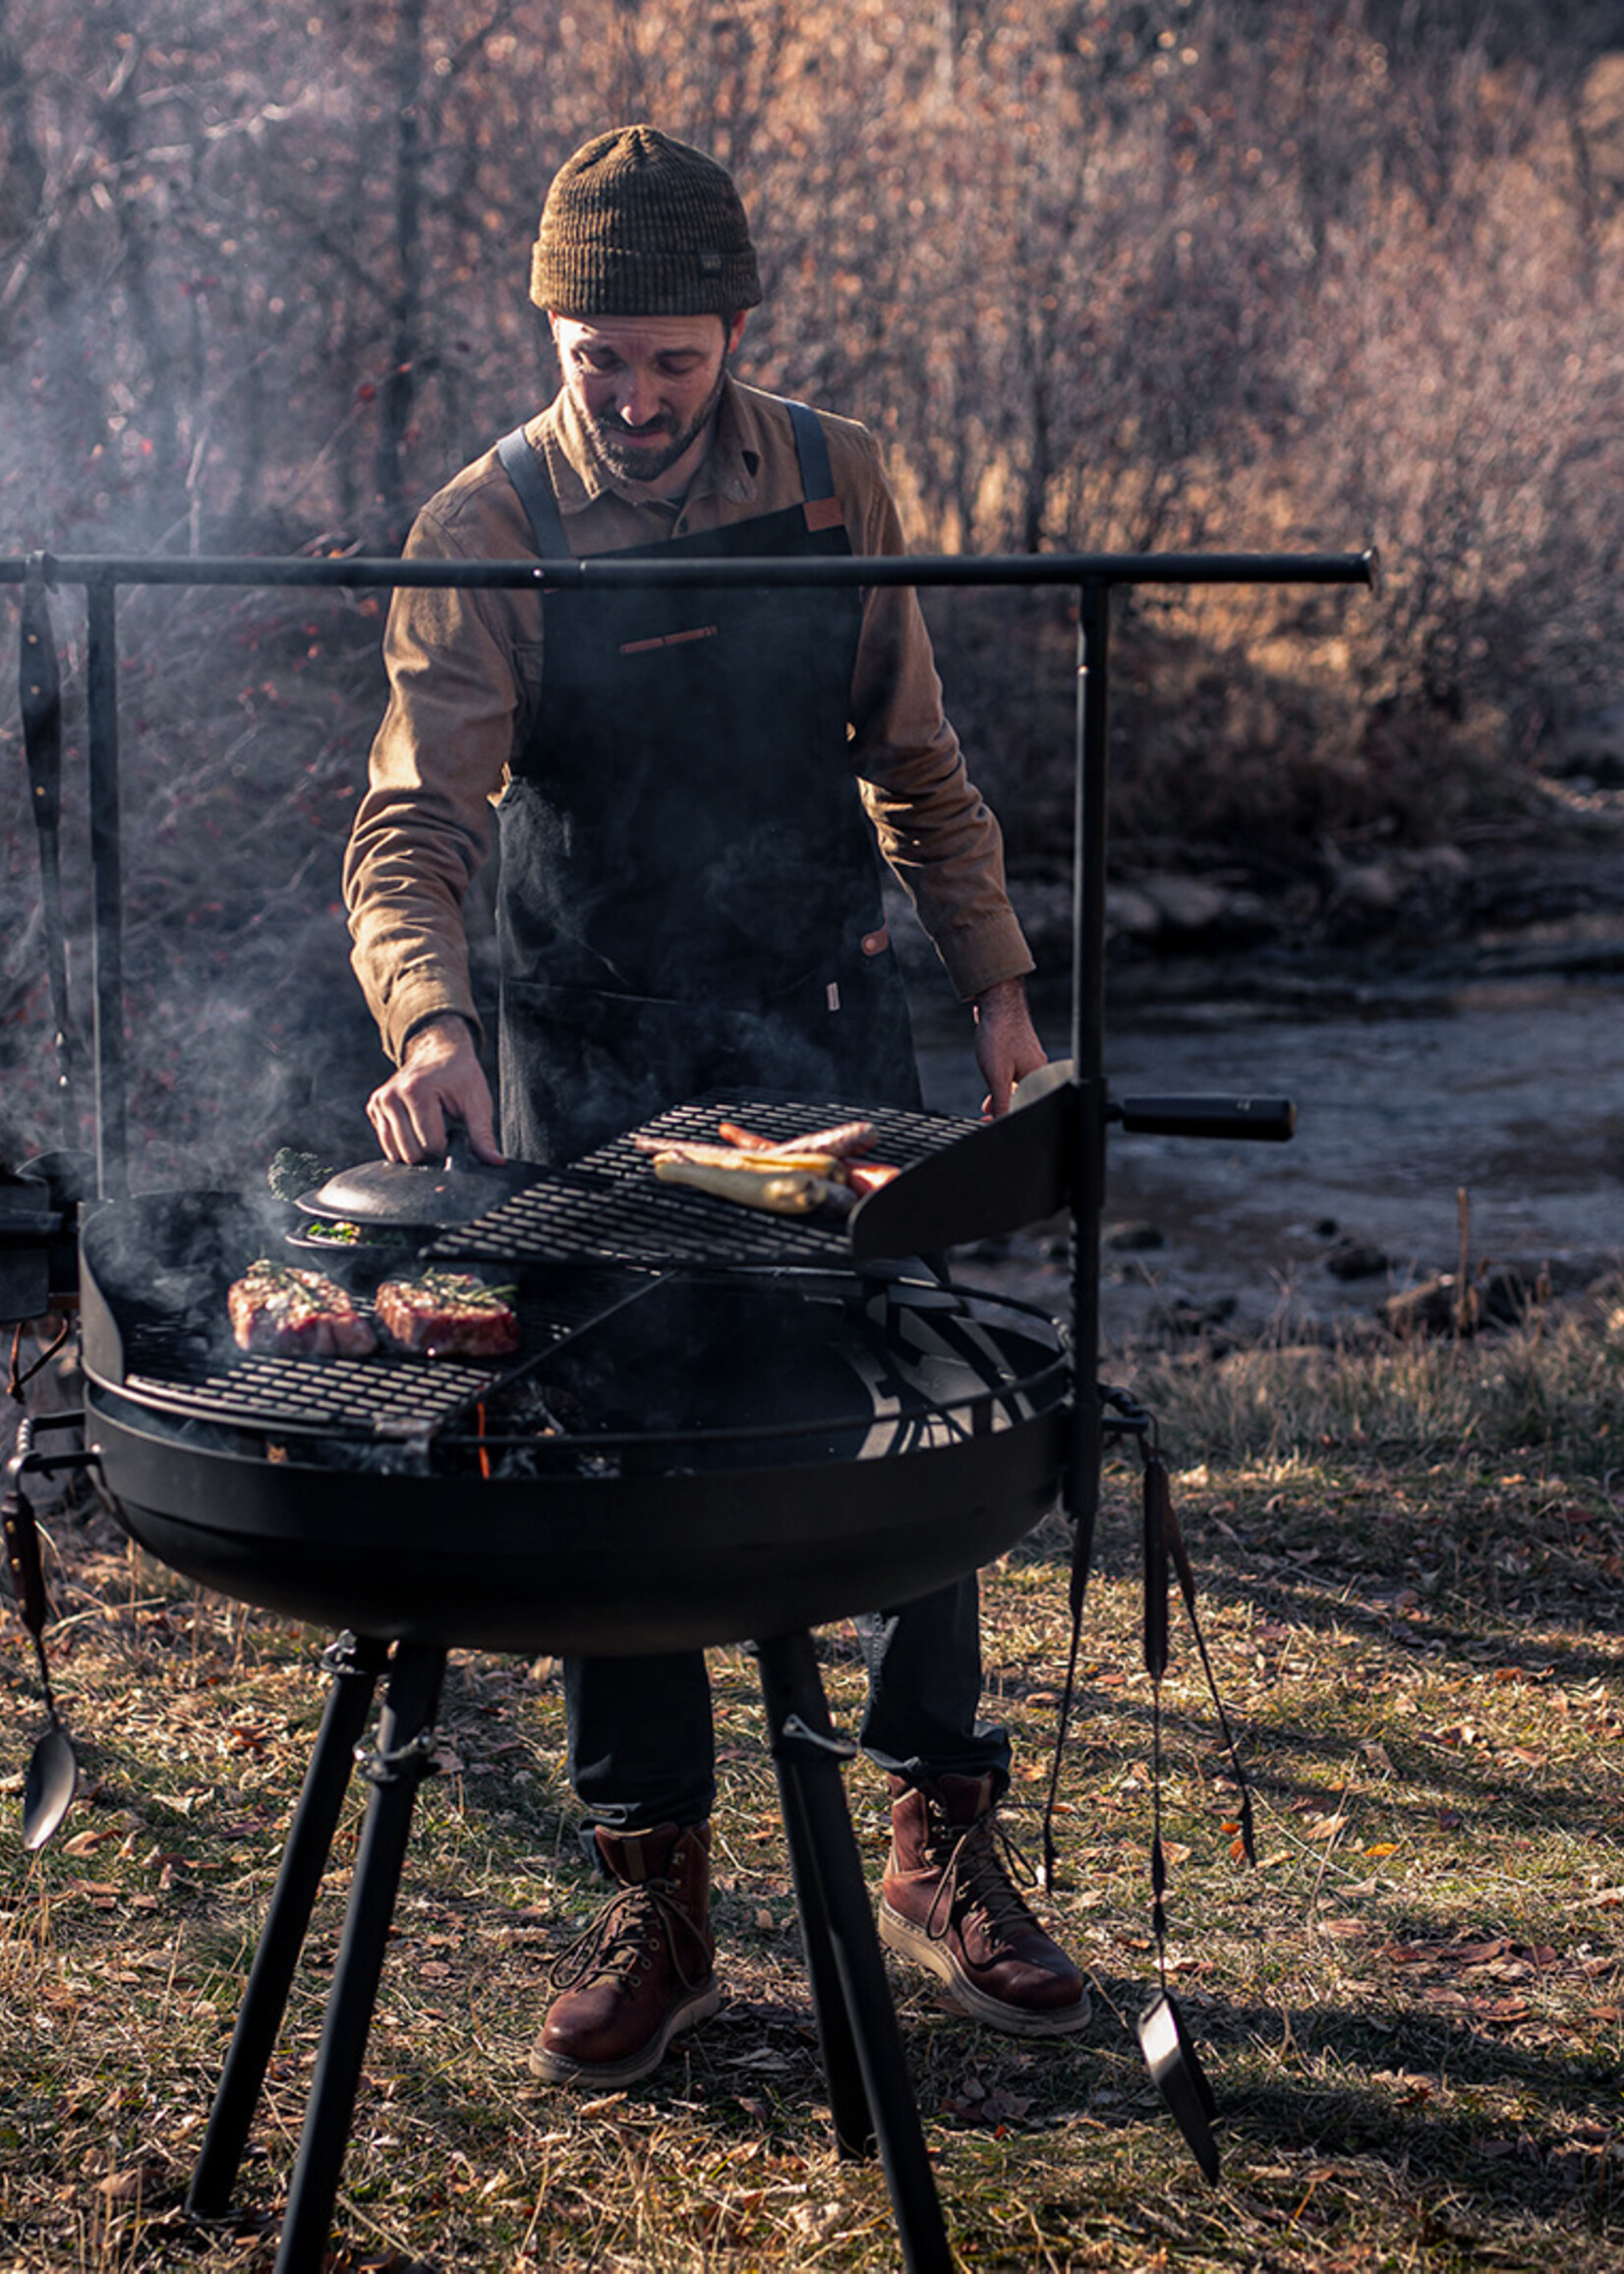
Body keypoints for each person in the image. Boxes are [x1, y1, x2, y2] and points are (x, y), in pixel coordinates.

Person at [343, 124, 1087, 2086]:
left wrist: (1000, 999)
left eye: (673, 358)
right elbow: (414, 821)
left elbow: (916, 767)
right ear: (553, 338)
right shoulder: (487, 519)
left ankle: (939, 1832)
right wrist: (431, 1026)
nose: (642, 398)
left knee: (932, 1390)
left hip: (820, 1025)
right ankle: (656, 1897)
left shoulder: (842, 478)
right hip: (588, 1047)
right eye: (604, 359)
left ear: (736, 331)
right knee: (620, 1456)